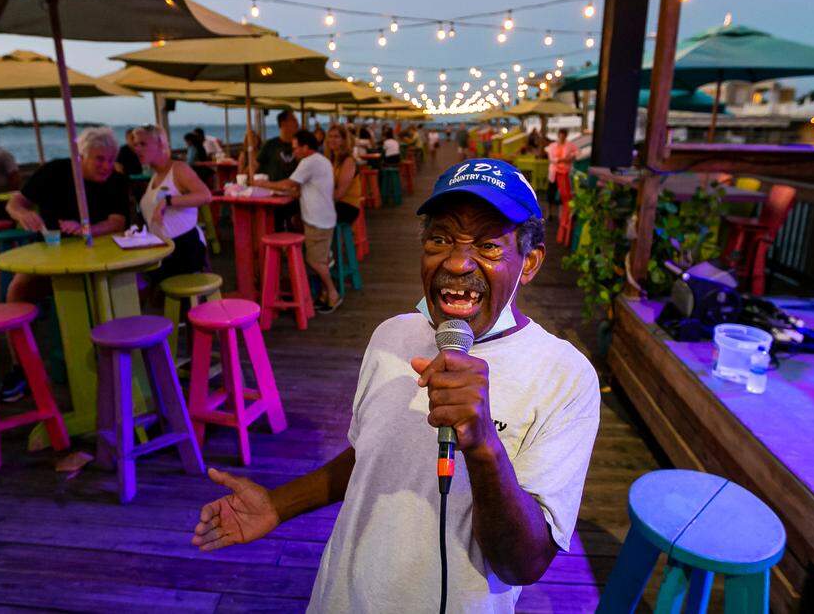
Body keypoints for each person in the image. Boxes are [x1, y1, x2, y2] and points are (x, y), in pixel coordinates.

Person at [191, 158, 600, 612]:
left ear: (529, 263)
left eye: (487, 246)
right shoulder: (392, 336)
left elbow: (523, 563)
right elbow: (373, 456)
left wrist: (484, 444)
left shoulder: (566, 376)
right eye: (440, 239)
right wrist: (277, 504)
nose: (458, 262)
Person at [1, 127, 130, 401]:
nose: (107, 166)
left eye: (111, 159)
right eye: (99, 159)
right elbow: (15, 202)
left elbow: (117, 222)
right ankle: (21, 367)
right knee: (17, 290)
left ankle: (116, 362)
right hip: (53, 257)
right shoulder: (55, 172)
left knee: (126, 290)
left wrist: (87, 229)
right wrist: (22, 213)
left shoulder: (116, 181)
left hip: (100, 258)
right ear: (80, 155)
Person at [254, 130, 342, 312]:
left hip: (318, 219)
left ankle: (333, 293)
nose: (294, 152)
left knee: (314, 260)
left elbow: (289, 183)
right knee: (319, 259)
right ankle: (325, 294)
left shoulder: (309, 162)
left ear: (305, 147)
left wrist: (262, 184)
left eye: (296, 148)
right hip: (324, 216)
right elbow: (305, 187)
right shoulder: (321, 160)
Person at [132, 124, 212, 280]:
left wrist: (167, 201)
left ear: (161, 143)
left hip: (183, 250)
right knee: (131, 279)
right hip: (162, 250)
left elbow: (205, 195)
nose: (137, 149)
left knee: (133, 281)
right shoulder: (155, 176)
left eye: (143, 144)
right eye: (135, 145)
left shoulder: (178, 169)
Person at [324, 124, 362, 225]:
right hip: (335, 203)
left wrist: (319, 198)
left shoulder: (348, 160)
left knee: (310, 213)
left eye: (336, 136)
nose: (332, 139)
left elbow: (340, 193)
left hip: (347, 207)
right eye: (330, 136)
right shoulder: (331, 159)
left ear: (344, 140)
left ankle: (321, 240)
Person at [250, 110, 300, 181]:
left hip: (294, 188)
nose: (297, 123)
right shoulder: (270, 145)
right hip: (274, 188)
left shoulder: (300, 146)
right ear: (283, 123)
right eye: (294, 120)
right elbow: (255, 165)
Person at [545, 129, 577, 219]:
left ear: (566, 136)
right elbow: (551, 158)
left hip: (565, 173)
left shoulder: (570, 145)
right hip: (554, 173)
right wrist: (562, 160)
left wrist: (569, 158)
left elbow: (576, 153)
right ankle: (549, 213)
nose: (562, 137)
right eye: (560, 135)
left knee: (564, 194)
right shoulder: (552, 146)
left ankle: (562, 214)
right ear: (558, 135)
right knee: (551, 193)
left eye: (563, 136)